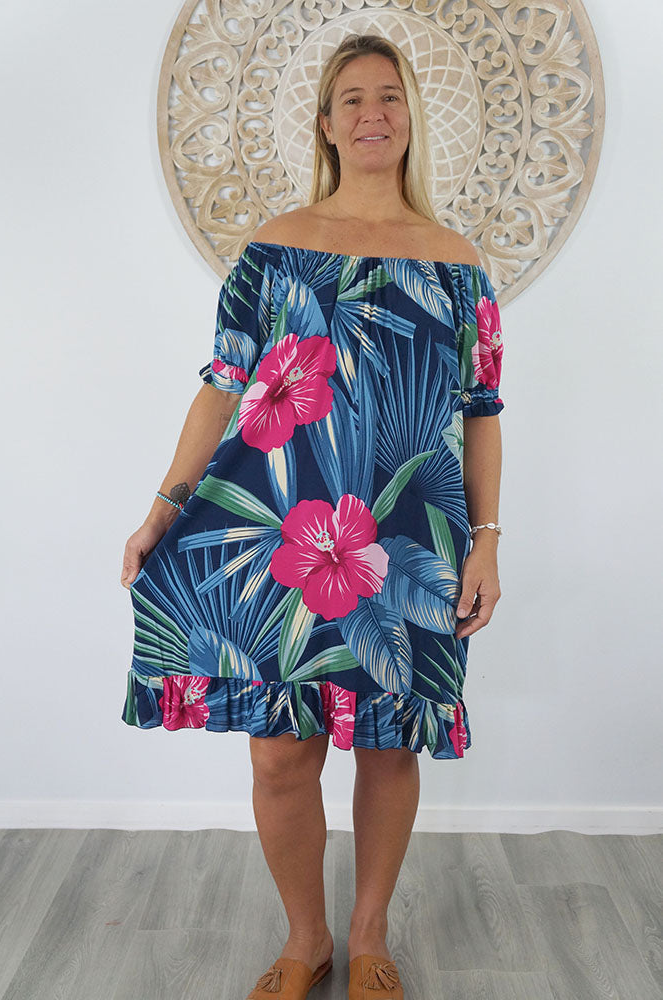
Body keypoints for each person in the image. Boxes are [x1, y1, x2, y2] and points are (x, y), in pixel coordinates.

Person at [121, 33, 503, 1000]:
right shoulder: (274, 247)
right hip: (281, 535)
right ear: (326, 125)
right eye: (352, 99)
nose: (374, 113)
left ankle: (369, 933)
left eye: (390, 96)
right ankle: (307, 937)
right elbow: (222, 386)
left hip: (408, 541)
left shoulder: (459, 264)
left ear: (411, 115)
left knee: (388, 744)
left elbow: (481, 415)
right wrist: (164, 506)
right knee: (282, 756)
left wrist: (487, 543)